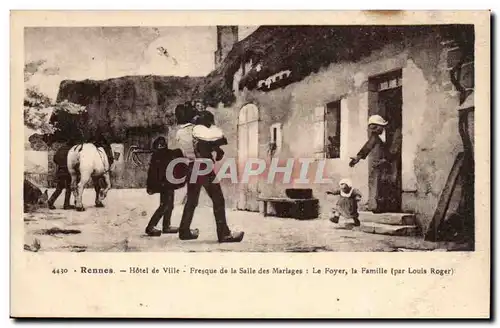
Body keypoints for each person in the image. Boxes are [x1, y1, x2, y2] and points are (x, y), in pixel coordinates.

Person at [174, 103, 244, 243]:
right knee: (218, 199)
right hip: (203, 166)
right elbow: (207, 144)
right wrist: (218, 149)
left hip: (191, 166)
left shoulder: (179, 133)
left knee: (192, 201)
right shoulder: (196, 130)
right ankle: (224, 234)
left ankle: (184, 230)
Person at [349, 114, 402, 213]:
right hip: (384, 161)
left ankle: (393, 207)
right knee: (381, 181)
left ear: (381, 125)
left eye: (375, 128)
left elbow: (395, 147)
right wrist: (358, 158)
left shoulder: (395, 132)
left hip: (394, 159)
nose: (373, 131)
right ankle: (381, 206)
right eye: (371, 129)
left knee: (393, 180)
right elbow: (368, 146)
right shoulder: (376, 135)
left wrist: (386, 159)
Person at [144, 136, 186, 237]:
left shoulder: (163, 154)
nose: (161, 147)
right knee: (165, 205)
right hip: (165, 183)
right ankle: (150, 227)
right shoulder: (160, 155)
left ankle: (166, 226)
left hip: (168, 183)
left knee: (169, 205)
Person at [48, 139, 75, 210]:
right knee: (68, 188)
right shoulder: (72, 150)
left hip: (60, 171)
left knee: (59, 188)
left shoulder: (61, 148)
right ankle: (66, 205)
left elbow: (55, 159)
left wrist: (60, 164)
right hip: (69, 171)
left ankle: (50, 201)